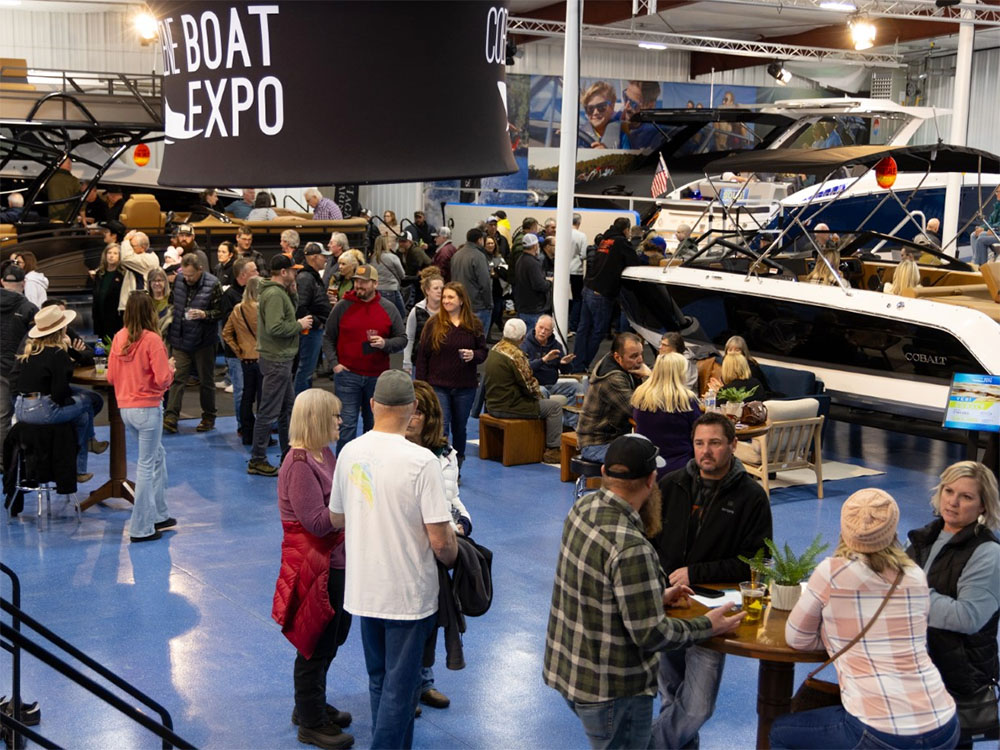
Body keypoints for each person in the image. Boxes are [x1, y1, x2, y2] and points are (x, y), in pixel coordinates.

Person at [544, 434, 745, 750]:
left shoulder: (583, 509)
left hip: (572, 672)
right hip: (613, 690)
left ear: (607, 473)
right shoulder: (632, 547)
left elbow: (595, 587)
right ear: (652, 479)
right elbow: (652, 634)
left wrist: (652, 595)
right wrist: (710, 625)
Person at [770, 489, 960, 750]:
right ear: (892, 528)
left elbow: (797, 638)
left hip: (880, 732)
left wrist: (835, 639)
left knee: (781, 732)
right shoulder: (914, 574)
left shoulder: (831, 572)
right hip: (944, 724)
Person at [328, 370, 457, 750]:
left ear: (372, 405)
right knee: (402, 690)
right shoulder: (421, 461)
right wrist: (454, 557)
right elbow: (440, 539)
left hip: (364, 587)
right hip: (408, 593)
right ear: (413, 408)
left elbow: (337, 517)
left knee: (380, 680)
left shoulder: (350, 451)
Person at [651, 411, 772, 749]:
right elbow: (649, 541)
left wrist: (697, 573)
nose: (706, 451)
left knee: (698, 706)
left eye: (715, 443)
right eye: (699, 443)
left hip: (713, 613)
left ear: (733, 445)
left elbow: (759, 561)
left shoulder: (752, 497)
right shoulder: (670, 485)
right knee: (671, 697)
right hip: (669, 606)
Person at [273, 388, 354, 750]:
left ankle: (310, 704)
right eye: (335, 416)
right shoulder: (300, 465)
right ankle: (310, 721)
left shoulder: (325, 454)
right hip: (315, 566)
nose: (341, 420)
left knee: (334, 635)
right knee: (315, 643)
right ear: (319, 419)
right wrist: (356, 506)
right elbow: (318, 522)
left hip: (335, 560)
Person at [906, 461, 1000, 747]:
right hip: (921, 669)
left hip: (956, 677)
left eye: (966, 497)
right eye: (949, 491)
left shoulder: (989, 554)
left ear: (983, 506)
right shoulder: (926, 537)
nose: (953, 502)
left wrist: (910, 596)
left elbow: (967, 617)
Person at [405, 380, 472, 711]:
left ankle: (423, 683)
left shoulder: (446, 454)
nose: (413, 416)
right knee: (406, 628)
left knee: (430, 621)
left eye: (420, 410)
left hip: (437, 552)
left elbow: (453, 498)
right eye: (409, 409)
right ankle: (404, 688)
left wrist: (462, 523)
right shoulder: (394, 453)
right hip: (406, 553)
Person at [107, 292, 176, 543]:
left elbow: (111, 378)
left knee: (157, 457)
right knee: (147, 465)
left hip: (126, 410)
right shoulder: (152, 340)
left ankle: (159, 514)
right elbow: (162, 379)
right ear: (150, 312)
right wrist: (171, 369)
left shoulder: (118, 337)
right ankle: (141, 527)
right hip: (148, 409)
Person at [324, 264, 407, 453]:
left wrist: (385, 344)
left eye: (364, 282)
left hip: (377, 378)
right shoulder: (342, 307)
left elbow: (402, 339)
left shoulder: (388, 308)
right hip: (347, 376)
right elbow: (328, 337)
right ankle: (344, 470)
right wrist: (334, 364)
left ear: (375, 283)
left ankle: (373, 467)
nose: (359, 286)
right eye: (356, 282)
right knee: (347, 426)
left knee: (375, 427)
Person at [12, 306, 100, 483]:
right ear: (62, 329)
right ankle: (81, 462)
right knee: (87, 402)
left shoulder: (31, 349)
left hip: (20, 407)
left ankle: (83, 459)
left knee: (82, 416)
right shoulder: (58, 354)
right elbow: (60, 395)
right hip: (42, 410)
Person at [249, 255, 312, 477]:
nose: (296, 274)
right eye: (293, 270)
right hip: (277, 359)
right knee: (269, 411)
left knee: (287, 408)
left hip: (279, 359)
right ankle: (257, 459)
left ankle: (287, 453)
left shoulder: (278, 292)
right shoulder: (275, 294)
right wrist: (298, 325)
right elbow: (276, 327)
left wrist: (293, 292)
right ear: (283, 272)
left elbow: (286, 313)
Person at [414, 282, 488, 468]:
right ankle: (440, 465)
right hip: (438, 386)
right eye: (444, 297)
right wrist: (422, 387)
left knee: (460, 428)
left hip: (465, 387)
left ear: (461, 300)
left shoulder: (474, 324)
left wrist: (474, 355)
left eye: (450, 297)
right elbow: (423, 356)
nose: (445, 301)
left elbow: (483, 351)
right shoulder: (433, 324)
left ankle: (457, 466)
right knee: (442, 427)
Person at [483, 318, 565, 465]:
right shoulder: (516, 355)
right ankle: (552, 450)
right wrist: (540, 399)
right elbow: (530, 386)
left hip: (492, 405)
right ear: (522, 337)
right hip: (510, 406)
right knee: (554, 407)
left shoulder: (495, 349)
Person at [163, 253, 222, 434]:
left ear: (200, 270)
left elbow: (221, 312)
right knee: (177, 379)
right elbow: (173, 304)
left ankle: (208, 417)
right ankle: (171, 416)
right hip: (180, 339)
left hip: (204, 341)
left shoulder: (213, 284)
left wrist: (205, 315)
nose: (187, 278)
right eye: (185, 275)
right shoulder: (179, 280)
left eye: (191, 275)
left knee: (206, 381)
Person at [574, 218, 641, 373]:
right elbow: (634, 262)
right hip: (601, 293)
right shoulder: (621, 242)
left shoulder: (605, 240)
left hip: (589, 287)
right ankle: (584, 364)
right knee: (598, 331)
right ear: (626, 230)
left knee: (583, 329)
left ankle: (576, 364)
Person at [576, 332, 650, 463]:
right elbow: (637, 410)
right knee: (643, 460)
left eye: (640, 354)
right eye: (634, 356)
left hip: (614, 439)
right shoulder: (613, 379)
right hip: (597, 444)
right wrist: (649, 378)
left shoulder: (620, 364)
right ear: (617, 357)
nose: (640, 360)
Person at [631, 353, 702, 477]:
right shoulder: (686, 400)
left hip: (646, 465)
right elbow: (700, 433)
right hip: (681, 468)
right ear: (679, 373)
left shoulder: (640, 395)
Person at [0, 264, 37, 452]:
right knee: (27, 415)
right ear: (24, 283)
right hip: (20, 369)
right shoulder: (29, 308)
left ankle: (3, 460)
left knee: (2, 416)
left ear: (1, 282)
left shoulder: (28, 307)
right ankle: (21, 461)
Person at [222, 276, 262, 448]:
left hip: (245, 359)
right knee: (263, 400)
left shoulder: (237, 309)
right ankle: (262, 437)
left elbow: (226, 333)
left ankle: (247, 434)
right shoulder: (263, 309)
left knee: (246, 398)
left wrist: (238, 351)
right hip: (263, 358)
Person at [295, 244, 333, 395]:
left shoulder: (310, 276)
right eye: (323, 256)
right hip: (309, 331)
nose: (326, 259)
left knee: (307, 369)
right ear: (314, 257)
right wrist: (317, 322)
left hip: (312, 329)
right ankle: (300, 405)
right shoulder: (306, 278)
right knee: (305, 369)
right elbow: (301, 307)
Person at [520, 315, 578, 403]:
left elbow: (566, 371)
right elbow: (526, 368)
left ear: (551, 332)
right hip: (534, 386)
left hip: (552, 385)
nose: (542, 332)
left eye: (546, 330)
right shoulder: (525, 344)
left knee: (577, 388)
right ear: (535, 326)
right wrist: (543, 360)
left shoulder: (556, 345)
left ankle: (568, 417)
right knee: (542, 392)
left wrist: (564, 364)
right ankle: (546, 415)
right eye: (540, 327)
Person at [449, 228, 493, 334]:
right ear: (479, 240)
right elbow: (485, 283)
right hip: (477, 306)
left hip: (459, 304)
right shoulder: (479, 256)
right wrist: (489, 304)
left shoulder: (457, 255)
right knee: (478, 340)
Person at [402, 267, 443, 376]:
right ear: (427, 290)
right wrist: (406, 362)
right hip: (419, 361)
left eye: (442, 288)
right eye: (436, 288)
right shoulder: (416, 311)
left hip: (441, 361)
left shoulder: (448, 311)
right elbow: (409, 338)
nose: (440, 291)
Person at [513, 233, 550, 331]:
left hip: (523, 306)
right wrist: (549, 282)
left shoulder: (520, 260)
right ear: (534, 246)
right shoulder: (533, 263)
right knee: (533, 340)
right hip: (533, 309)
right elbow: (539, 285)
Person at [117, 231, 160, 312]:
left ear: (142, 248)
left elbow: (126, 258)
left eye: (132, 246)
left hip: (140, 306)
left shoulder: (148, 259)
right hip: (134, 304)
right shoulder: (140, 257)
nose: (130, 248)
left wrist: (126, 240)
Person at [578, 81, 628, 150]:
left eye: (601, 107)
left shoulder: (622, 137)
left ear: (612, 106)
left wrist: (606, 154)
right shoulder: (578, 137)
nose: (595, 112)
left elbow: (628, 160)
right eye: (590, 109)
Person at [92, 244, 125, 341]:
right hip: (99, 317)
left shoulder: (122, 275)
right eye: (109, 253)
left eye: (115, 253)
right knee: (101, 348)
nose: (111, 256)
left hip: (116, 318)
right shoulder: (100, 274)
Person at [371, 235, 406, 321]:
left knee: (381, 316)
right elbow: (402, 274)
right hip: (391, 289)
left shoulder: (372, 258)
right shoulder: (392, 257)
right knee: (400, 314)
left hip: (376, 290)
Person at [484, 235, 509, 340]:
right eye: (488, 243)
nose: (490, 245)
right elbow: (488, 272)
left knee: (498, 310)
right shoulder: (482, 257)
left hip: (499, 289)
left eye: (492, 243)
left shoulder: (499, 257)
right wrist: (494, 271)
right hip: (488, 289)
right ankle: (487, 333)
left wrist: (495, 271)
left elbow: (504, 270)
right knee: (492, 311)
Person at [45, 157, 80, 223]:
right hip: (69, 218)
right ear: (68, 165)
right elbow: (79, 198)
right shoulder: (73, 181)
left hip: (54, 218)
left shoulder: (49, 179)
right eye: (69, 163)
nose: (71, 166)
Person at [971, 186, 1000, 266]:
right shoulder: (997, 206)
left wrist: (993, 229)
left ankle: (982, 266)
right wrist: (982, 228)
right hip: (996, 232)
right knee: (974, 235)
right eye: (996, 192)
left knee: (981, 239)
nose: (996, 194)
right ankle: (976, 259)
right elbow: (990, 222)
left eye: (998, 192)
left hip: (998, 233)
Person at [568, 213, 587, 332]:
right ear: (579, 223)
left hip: (562, 270)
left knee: (561, 297)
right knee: (577, 298)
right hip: (576, 270)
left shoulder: (562, 233)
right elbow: (584, 254)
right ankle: (573, 325)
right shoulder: (581, 236)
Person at [146, 267, 173, 338]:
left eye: (159, 280)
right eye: (153, 281)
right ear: (149, 283)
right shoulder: (145, 301)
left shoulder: (172, 298)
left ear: (165, 282)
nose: (157, 283)